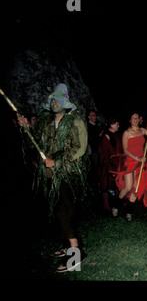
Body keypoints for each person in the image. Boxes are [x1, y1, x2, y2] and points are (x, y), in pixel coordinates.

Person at [17, 83, 89, 273]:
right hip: (50, 175)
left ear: (65, 102)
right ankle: (70, 245)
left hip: (68, 173)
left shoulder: (75, 121)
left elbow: (79, 148)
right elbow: (34, 146)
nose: (54, 101)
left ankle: (76, 255)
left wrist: (56, 161)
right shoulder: (46, 123)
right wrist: (26, 129)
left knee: (65, 213)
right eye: (52, 99)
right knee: (57, 212)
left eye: (58, 98)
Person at [112, 112, 147, 221]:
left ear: (139, 119)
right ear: (130, 120)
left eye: (137, 117)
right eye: (133, 117)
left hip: (140, 163)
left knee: (137, 188)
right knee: (128, 187)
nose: (135, 119)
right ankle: (116, 205)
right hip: (130, 161)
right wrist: (137, 158)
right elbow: (125, 150)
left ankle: (129, 212)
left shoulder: (142, 130)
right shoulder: (126, 133)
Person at [98, 117, 123, 212]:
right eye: (117, 124)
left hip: (115, 162)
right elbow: (108, 151)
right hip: (108, 164)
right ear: (112, 125)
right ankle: (106, 205)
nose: (118, 126)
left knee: (117, 182)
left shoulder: (115, 135)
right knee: (106, 183)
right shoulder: (106, 136)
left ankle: (118, 202)